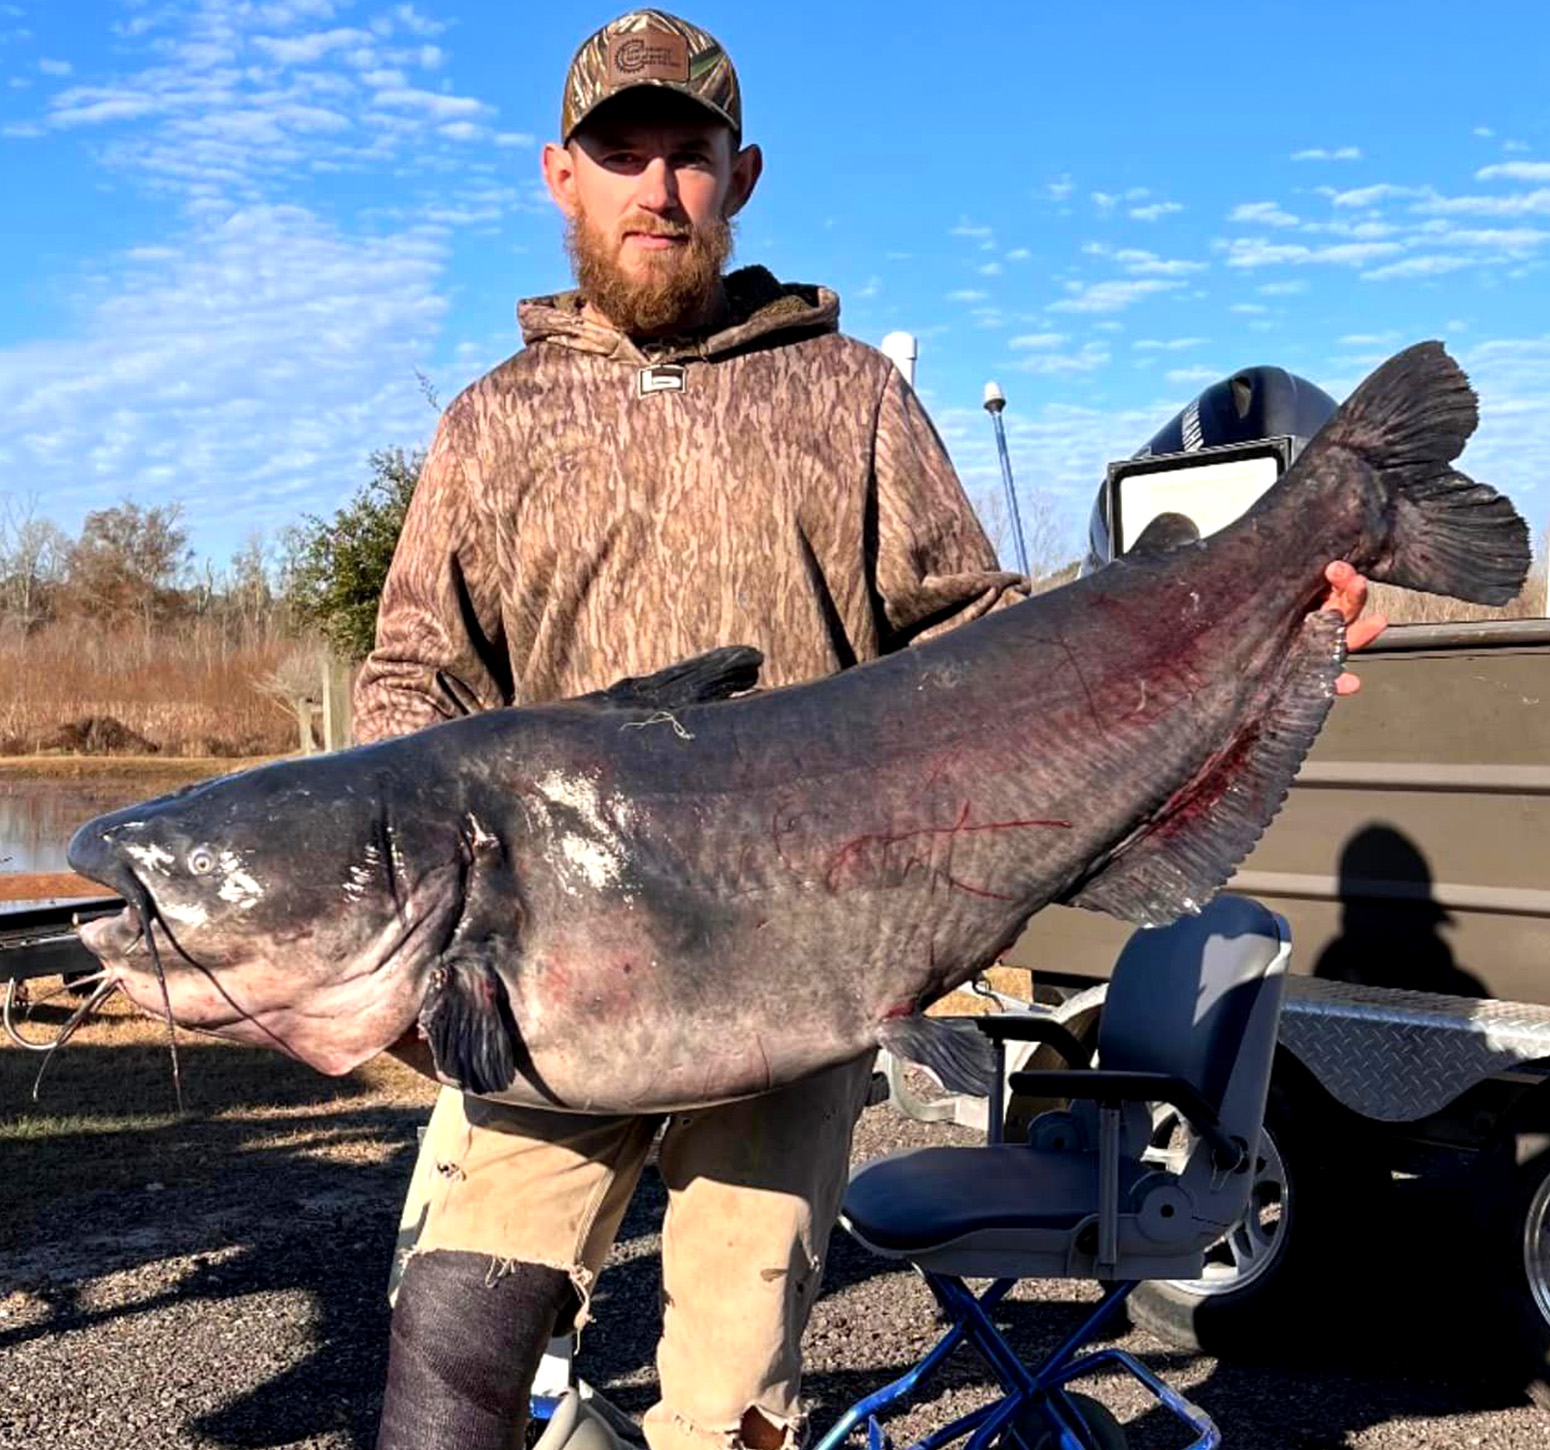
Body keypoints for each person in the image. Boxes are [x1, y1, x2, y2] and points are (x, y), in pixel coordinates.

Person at [353, 11, 1385, 1450]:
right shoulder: (489, 427)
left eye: (690, 155)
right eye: (622, 153)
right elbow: (410, 686)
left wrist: (1243, 647)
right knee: (452, 1356)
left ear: (743, 172)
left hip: (794, 964)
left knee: (729, 1401)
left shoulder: (848, 398)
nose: (658, 187)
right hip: (542, 984)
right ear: (558, 176)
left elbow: (978, 644)